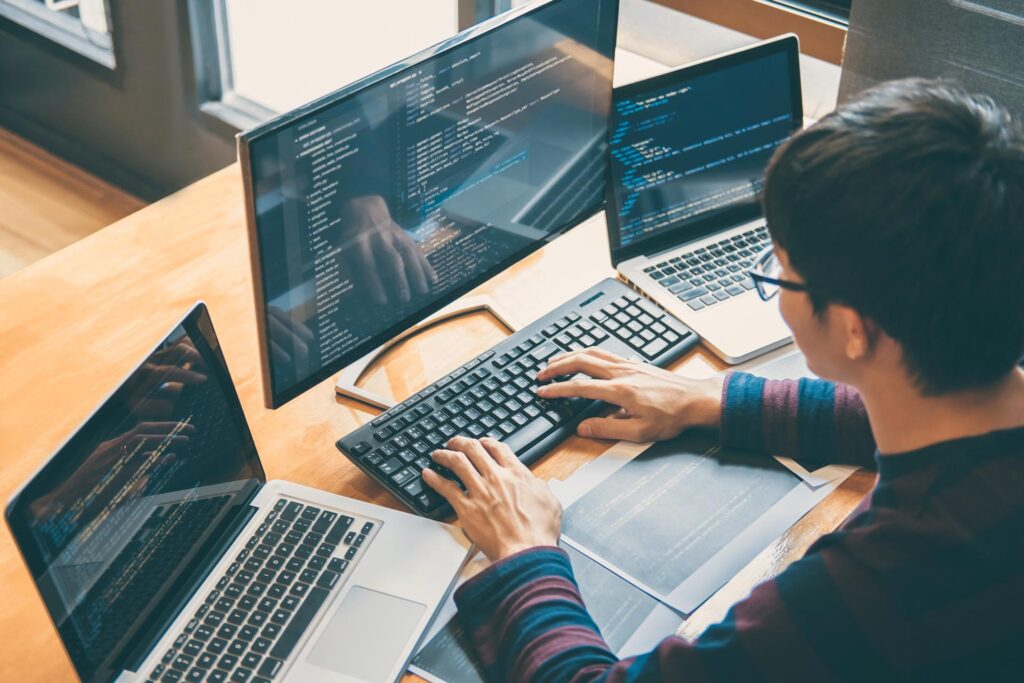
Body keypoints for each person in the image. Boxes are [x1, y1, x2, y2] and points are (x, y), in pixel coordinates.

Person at [420, 78, 1024, 681]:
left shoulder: (887, 579)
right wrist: (713, 398)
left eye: (781, 271)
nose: (775, 288)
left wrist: (525, 552)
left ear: (852, 329)